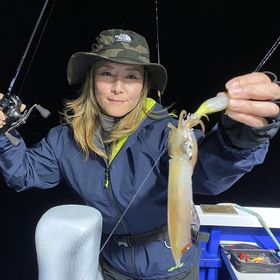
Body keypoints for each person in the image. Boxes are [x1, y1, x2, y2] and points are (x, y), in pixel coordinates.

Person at [0, 28, 280, 280]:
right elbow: (24, 173)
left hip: (171, 266)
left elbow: (208, 174)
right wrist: (2, 134)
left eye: (131, 76)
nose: (118, 87)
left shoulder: (167, 131)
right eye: (107, 73)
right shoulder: (65, 138)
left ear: (145, 85)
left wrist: (243, 136)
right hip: (110, 265)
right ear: (91, 79)